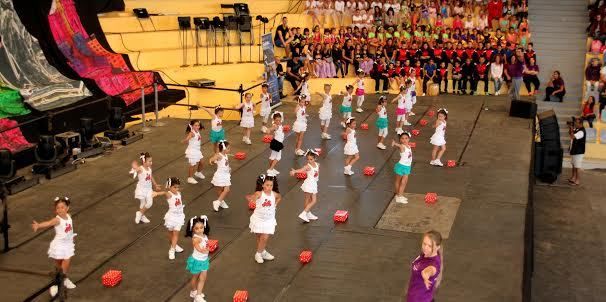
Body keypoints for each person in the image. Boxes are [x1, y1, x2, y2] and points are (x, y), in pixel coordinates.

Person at [32, 197, 77, 297]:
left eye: (62, 207)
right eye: (58, 208)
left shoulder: (69, 216)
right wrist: (38, 225)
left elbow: (69, 229)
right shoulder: (57, 220)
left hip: (68, 244)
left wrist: (71, 237)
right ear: (55, 210)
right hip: (59, 246)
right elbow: (48, 223)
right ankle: (55, 285)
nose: (60, 209)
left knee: (66, 262)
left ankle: (63, 279)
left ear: (67, 208)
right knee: (58, 266)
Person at [249, 174, 282, 263]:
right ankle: (263, 251)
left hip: (269, 220)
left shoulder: (274, 194)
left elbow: (279, 197)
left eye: (271, 185)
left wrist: (275, 205)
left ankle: (258, 254)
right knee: (260, 237)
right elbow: (254, 198)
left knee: (265, 237)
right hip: (258, 219)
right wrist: (252, 199)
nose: (269, 187)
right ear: (263, 185)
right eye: (267, 185)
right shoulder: (259, 193)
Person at [406, 230, 443, 302]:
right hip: (414, 296)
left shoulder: (433, 264)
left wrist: (425, 275)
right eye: (424, 244)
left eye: (430, 246)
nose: (425, 247)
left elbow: (429, 270)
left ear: (437, 247)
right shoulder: (426, 254)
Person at [158, 177, 185, 260]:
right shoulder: (169, 194)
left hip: (179, 217)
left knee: (176, 233)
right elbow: (163, 192)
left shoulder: (178, 193)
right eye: (174, 187)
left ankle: (172, 250)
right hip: (172, 217)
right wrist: (156, 193)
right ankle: (174, 245)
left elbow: (178, 193)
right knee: (170, 233)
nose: (176, 189)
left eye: (177, 187)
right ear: (170, 187)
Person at [290, 149, 321, 222]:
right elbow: (301, 170)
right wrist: (294, 171)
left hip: (313, 183)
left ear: (315, 158)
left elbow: (317, 173)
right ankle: (304, 213)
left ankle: (308, 213)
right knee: (312, 200)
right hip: (309, 184)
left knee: (311, 200)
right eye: (308, 159)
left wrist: (316, 180)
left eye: (311, 159)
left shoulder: (318, 164)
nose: (309, 161)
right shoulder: (308, 166)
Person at [130, 152, 161, 224]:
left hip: (148, 189)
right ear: (144, 161)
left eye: (151, 161)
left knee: (149, 203)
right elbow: (136, 170)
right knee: (143, 203)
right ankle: (142, 216)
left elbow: (151, 176)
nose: (151, 163)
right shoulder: (141, 169)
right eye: (149, 161)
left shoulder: (149, 168)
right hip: (141, 189)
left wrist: (155, 185)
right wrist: (134, 168)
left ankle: (139, 213)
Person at [185, 215, 210, 302]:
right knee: (195, 277)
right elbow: (196, 246)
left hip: (204, 260)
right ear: (193, 229)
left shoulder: (204, 235)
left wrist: (207, 248)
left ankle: (197, 294)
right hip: (197, 261)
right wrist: (202, 250)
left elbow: (206, 244)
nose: (199, 230)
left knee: (202, 278)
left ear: (204, 226)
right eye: (197, 228)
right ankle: (195, 292)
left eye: (201, 227)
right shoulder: (196, 238)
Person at [209, 140, 231, 212]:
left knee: (221, 190)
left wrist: (229, 169)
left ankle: (221, 201)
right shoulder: (219, 155)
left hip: (225, 175)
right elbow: (212, 159)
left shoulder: (225, 155)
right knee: (226, 190)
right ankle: (218, 202)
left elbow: (225, 164)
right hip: (221, 175)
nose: (229, 149)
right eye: (228, 148)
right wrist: (211, 161)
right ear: (224, 149)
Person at [392, 132, 412, 204]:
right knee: (401, 182)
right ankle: (399, 197)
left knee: (403, 182)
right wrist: (394, 143)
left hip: (407, 167)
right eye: (402, 138)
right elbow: (399, 146)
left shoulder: (408, 146)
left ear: (409, 139)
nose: (404, 140)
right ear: (400, 140)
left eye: (406, 138)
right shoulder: (402, 146)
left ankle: (399, 195)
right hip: (401, 166)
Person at [183, 120, 205, 185]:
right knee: (193, 165)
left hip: (197, 150)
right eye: (195, 125)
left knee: (202, 162)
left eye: (198, 125)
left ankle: (198, 173)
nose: (197, 127)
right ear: (192, 126)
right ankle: (189, 178)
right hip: (192, 151)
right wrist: (185, 140)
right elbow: (188, 138)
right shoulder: (192, 133)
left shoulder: (197, 131)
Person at [568, 117, 586, 186]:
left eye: (576, 123)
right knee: (573, 165)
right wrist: (570, 128)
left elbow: (572, 136)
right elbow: (570, 134)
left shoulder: (582, 131)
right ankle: (573, 178)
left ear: (580, 123)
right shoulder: (577, 129)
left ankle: (577, 180)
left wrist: (572, 130)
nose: (575, 123)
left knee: (577, 166)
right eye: (575, 122)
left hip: (579, 152)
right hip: (574, 150)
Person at [267, 112, 285, 176]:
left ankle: (272, 168)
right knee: (278, 157)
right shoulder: (275, 126)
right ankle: (270, 170)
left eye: (279, 120)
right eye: (277, 120)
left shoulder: (280, 125)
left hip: (277, 142)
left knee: (273, 156)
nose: (278, 121)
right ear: (274, 120)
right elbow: (272, 128)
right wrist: (269, 130)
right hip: (277, 143)